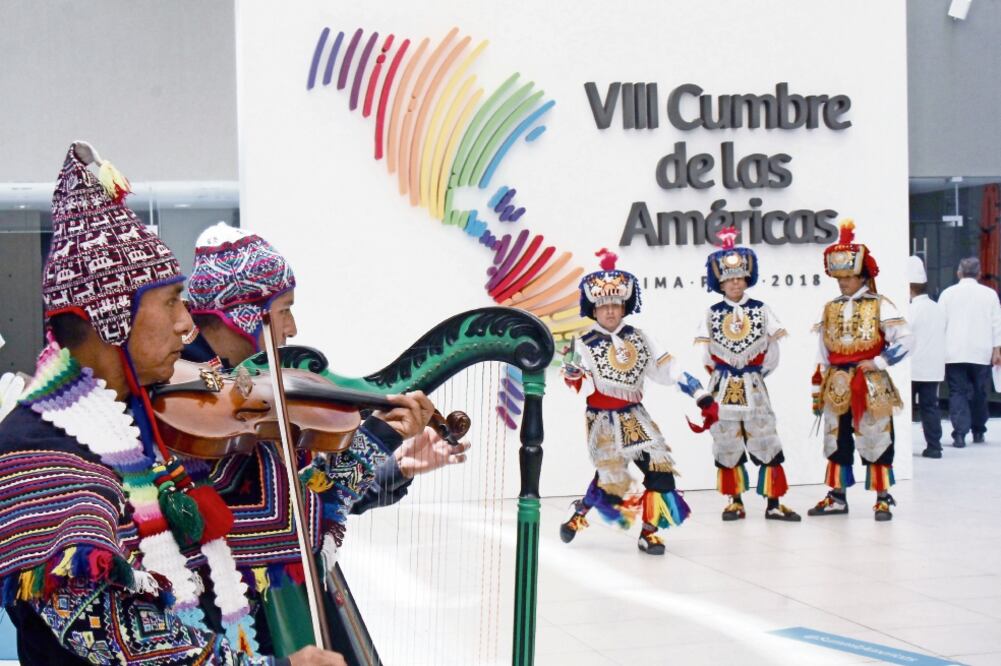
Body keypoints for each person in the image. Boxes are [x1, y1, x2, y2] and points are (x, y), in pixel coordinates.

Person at [0, 141, 391, 665]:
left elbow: (266, 515)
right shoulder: (38, 453)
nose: (187, 323)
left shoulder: (139, 425)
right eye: (169, 302)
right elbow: (108, 628)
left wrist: (376, 444)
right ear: (111, 320)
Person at [558, 249, 717, 555]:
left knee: (660, 471)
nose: (610, 311)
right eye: (603, 305)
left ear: (625, 305)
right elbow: (576, 381)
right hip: (602, 420)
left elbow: (670, 370)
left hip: (635, 416)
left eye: (615, 304)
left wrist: (701, 395)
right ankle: (580, 512)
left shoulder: (642, 338)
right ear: (593, 308)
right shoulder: (582, 344)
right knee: (612, 480)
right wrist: (574, 372)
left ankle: (649, 532)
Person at [807, 220, 912, 522]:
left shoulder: (881, 305)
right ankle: (838, 496)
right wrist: (819, 386)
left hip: (870, 381)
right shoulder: (830, 307)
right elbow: (822, 351)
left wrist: (880, 362)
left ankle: (882, 496)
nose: (842, 283)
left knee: (877, 436)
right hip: (837, 382)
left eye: (849, 277)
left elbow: (906, 339)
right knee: (836, 438)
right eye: (839, 278)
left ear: (862, 275)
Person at [695, 227, 800, 522]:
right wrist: (722, 376)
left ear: (747, 279)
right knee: (727, 439)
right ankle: (735, 500)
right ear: (721, 283)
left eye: (739, 278)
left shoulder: (762, 310)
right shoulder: (712, 313)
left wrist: (755, 374)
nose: (735, 284)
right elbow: (706, 357)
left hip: (753, 383)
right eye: (729, 279)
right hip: (723, 382)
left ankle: (773, 502)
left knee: (765, 436)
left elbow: (773, 352)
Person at [937, 257, 1001, 448]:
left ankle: (959, 433)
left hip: (953, 351)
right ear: (979, 274)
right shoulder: (989, 294)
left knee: (958, 391)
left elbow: (940, 324)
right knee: (980, 392)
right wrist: (997, 349)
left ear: (959, 273)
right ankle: (979, 430)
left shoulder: (947, 294)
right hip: (981, 352)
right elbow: (996, 323)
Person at [907, 255, 946, 458]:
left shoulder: (911, 310)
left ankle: (903, 447)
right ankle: (934, 446)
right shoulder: (937, 308)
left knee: (905, 409)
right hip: (933, 367)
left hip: (913, 367)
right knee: (930, 407)